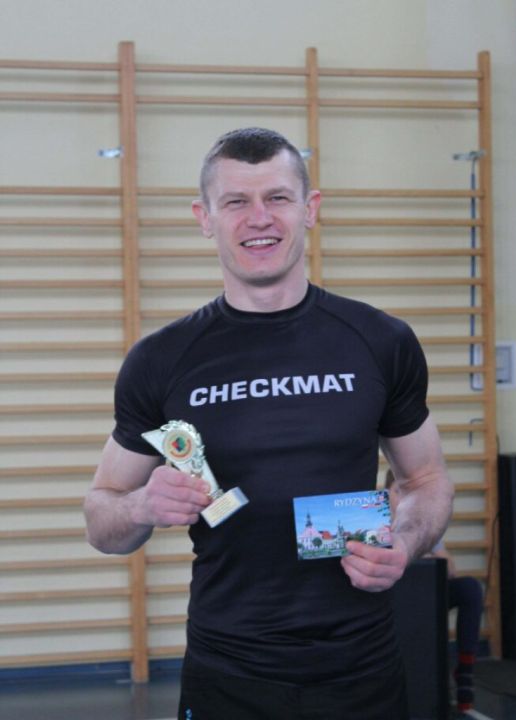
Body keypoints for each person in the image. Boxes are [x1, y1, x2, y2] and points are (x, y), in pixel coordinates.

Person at [84, 127, 454, 720]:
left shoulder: (381, 341)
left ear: (310, 209)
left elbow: (426, 480)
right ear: (205, 218)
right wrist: (141, 507)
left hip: (361, 669)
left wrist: (405, 543)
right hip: (227, 672)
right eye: (236, 201)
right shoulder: (160, 361)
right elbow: (102, 517)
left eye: (278, 197)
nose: (260, 218)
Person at [385, 469, 483, 714]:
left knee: (469, 588)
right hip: (389, 601)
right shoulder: (374, 526)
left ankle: (465, 669)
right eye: (398, 491)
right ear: (387, 494)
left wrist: (419, 550)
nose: (404, 498)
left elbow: (449, 570)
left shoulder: (421, 526)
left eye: (408, 492)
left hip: (426, 597)